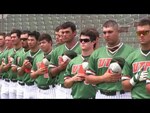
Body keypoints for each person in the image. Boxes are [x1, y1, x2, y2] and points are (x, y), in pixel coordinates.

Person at [84, 20, 134, 99]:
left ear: (118, 32)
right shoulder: (96, 53)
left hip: (124, 94)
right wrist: (104, 78)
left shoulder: (131, 52)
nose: (107, 35)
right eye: (104, 32)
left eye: (110, 32)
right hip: (101, 94)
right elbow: (88, 78)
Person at [49, 21, 81, 99]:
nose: (64, 35)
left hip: (77, 88)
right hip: (61, 89)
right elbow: (50, 73)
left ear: (74, 33)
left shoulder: (82, 48)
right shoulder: (57, 50)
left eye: (67, 32)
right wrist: (61, 67)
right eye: (62, 33)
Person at [64, 28, 97, 99]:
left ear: (93, 42)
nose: (82, 42)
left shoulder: (98, 59)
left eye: (86, 40)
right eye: (81, 40)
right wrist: (73, 79)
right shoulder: (73, 61)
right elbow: (66, 84)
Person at [122, 18, 150, 99]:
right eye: (139, 33)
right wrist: (134, 79)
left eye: (145, 32)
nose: (141, 35)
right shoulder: (131, 57)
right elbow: (124, 86)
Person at [30, 33, 56, 99]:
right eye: (40, 43)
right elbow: (32, 75)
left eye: (43, 42)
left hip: (52, 89)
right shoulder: (38, 57)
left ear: (50, 42)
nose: (41, 45)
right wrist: (37, 72)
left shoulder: (56, 55)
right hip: (39, 90)